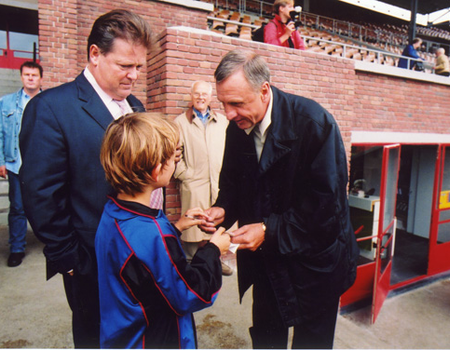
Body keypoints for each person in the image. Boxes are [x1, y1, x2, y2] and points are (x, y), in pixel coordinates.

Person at [201, 49, 359, 349]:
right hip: (268, 261)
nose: (229, 114)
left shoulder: (315, 124)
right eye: (222, 104)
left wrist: (268, 230)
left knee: (311, 343)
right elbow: (234, 181)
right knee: (266, 337)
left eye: (236, 103)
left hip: (316, 266)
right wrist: (224, 208)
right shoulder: (238, 125)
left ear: (264, 90)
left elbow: (326, 210)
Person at [19, 10, 156, 348]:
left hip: (142, 257)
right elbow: (40, 193)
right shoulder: (52, 108)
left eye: (139, 66)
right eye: (125, 65)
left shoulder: (135, 105)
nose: (134, 75)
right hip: (90, 263)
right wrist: (70, 261)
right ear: (95, 54)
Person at [96, 113, 230, 349]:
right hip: (154, 338)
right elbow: (190, 293)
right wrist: (213, 250)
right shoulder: (155, 234)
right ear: (158, 170)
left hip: (122, 334)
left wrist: (176, 228)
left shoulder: (112, 212)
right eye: (174, 157)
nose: (176, 162)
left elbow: (140, 263)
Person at [173, 81, 232, 275]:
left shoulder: (222, 121)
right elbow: (174, 154)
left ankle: (215, 261)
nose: (200, 97)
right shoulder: (180, 122)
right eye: (197, 94)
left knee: (214, 224)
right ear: (191, 95)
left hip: (218, 183)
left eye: (204, 94)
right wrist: (185, 175)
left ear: (210, 97)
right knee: (194, 225)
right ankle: (190, 264)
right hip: (194, 183)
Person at [0, 61, 43, 267]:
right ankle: (16, 248)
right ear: (21, 77)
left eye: (34, 75)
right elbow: (0, 133)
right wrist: (1, 161)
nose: (31, 78)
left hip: (44, 166)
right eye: (27, 75)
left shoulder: (49, 102)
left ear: (40, 78)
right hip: (16, 163)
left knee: (48, 204)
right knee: (17, 207)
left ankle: (51, 243)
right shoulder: (7, 103)